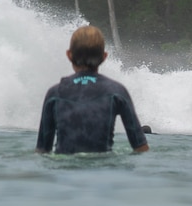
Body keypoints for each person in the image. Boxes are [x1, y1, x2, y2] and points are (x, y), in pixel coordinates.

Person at [35, 25, 149, 154]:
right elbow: (140, 147)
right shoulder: (116, 91)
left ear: (69, 55)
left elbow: (42, 150)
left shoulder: (55, 93)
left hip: (65, 171)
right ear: (104, 56)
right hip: (103, 169)